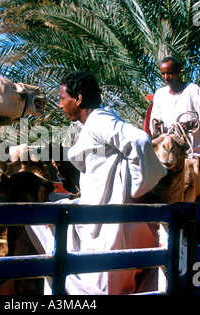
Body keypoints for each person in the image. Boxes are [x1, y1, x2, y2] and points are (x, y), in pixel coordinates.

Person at [26, 71, 167, 294]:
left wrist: (138, 190)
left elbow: (139, 140)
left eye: (63, 98)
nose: (61, 105)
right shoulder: (90, 126)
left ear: (79, 99)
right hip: (102, 222)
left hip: (110, 227)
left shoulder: (99, 121)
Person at [150, 56, 200, 158]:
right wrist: (156, 126)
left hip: (191, 154)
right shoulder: (160, 94)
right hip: (168, 155)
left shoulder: (193, 90)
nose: (166, 77)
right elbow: (153, 121)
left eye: (169, 73)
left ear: (178, 72)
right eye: (163, 74)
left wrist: (193, 124)